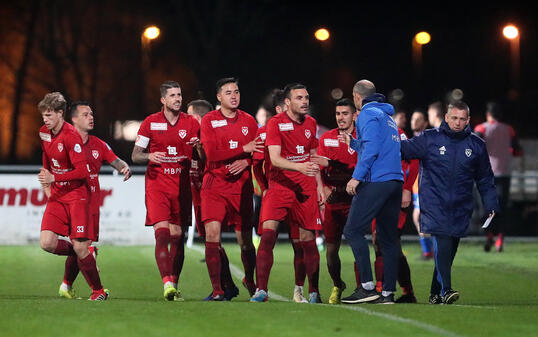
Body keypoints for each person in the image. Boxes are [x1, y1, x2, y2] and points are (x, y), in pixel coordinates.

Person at [401, 101, 498, 304]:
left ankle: (435, 293)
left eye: (462, 119)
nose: (457, 122)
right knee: (443, 241)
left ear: (468, 120)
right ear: (446, 117)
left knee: (448, 251)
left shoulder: (476, 145)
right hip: (434, 203)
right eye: (454, 118)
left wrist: (491, 204)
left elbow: (485, 179)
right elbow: (401, 150)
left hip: (461, 205)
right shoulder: (429, 138)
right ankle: (446, 290)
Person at [250, 83, 325, 303]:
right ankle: (261, 290)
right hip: (280, 187)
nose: (305, 101)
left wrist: (319, 185)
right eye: (299, 97)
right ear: (288, 102)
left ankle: (311, 291)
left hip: (305, 188)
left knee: (306, 241)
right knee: (268, 236)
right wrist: (265, 188)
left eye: (307, 97)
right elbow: (274, 159)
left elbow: (313, 156)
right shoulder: (275, 123)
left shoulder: (311, 123)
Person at [48, 101, 131, 299]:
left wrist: (123, 167)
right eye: (85, 114)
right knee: (72, 246)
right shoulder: (62, 141)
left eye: (92, 114)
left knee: (80, 245)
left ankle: (67, 286)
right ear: (73, 119)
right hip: (65, 198)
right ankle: (88, 268)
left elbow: (115, 160)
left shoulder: (98, 144)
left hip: (88, 201)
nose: (91, 117)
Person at [132, 81, 200, 301]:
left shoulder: (191, 123)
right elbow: (135, 155)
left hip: (181, 185)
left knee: (178, 236)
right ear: (163, 100)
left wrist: (199, 147)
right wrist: (149, 156)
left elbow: (203, 155)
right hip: (157, 185)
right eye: (172, 95)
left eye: (179, 94)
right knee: (161, 233)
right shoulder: (150, 123)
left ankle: (174, 283)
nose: (178, 99)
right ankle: (167, 283)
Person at [37, 92, 108, 301]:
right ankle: (84, 253)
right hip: (58, 195)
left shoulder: (71, 136)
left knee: (79, 245)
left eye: (49, 115)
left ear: (61, 114)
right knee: (47, 243)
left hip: (77, 195)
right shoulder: (44, 132)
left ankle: (98, 291)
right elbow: (46, 157)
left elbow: (82, 172)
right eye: (43, 115)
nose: (45, 119)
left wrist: (54, 178)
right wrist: (47, 181)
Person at [338, 80, 404, 304]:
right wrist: (355, 144)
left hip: (377, 180)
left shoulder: (366, 114)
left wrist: (356, 177)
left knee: (353, 230)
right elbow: (381, 146)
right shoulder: (387, 117)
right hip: (395, 180)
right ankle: (387, 293)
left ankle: (366, 287)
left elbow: (374, 150)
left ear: (357, 97)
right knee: (388, 238)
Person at [200, 78, 263, 301]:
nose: (234, 95)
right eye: (228, 92)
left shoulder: (249, 121)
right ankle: (218, 289)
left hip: (241, 188)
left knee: (245, 241)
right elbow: (212, 154)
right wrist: (243, 149)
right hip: (214, 186)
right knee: (212, 235)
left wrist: (247, 162)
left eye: (236, 91)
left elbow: (260, 151)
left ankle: (249, 279)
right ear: (219, 97)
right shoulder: (209, 120)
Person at [187, 99, 238, 300]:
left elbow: (214, 162)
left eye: (189, 115)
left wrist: (201, 151)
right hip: (198, 194)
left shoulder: (212, 135)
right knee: (213, 242)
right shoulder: (190, 137)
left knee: (213, 239)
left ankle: (223, 288)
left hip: (213, 194)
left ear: (197, 118)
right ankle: (228, 286)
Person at [310, 98, 358, 304]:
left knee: (359, 245)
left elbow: (357, 167)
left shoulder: (361, 139)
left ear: (354, 115)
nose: (340, 117)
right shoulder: (327, 138)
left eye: (345, 113)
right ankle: (338, 284)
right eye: (338, 114)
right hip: (333, 199)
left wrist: (332, 162)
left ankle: (364, 288)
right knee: (331, 251)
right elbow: (318, 169)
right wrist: (322, 188)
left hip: (356, 200)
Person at [474, 101, 522, 252]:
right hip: (504, 174)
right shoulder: (509, 130)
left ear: (488, 114)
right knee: (501, 208)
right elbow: (517, 151)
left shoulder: (481, 129)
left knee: (484, 209)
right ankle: (499, 238)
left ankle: (489, 234)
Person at [410, 109, 434, 259]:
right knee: (417, 217)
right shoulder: (412, 139)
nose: (414, 121)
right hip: (415, 185)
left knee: (419, 216)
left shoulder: (426, 139)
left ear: (425, 123)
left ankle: (429, 251)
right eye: (413, 118)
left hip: (425, 185)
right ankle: (429, 250)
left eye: (418, 119)